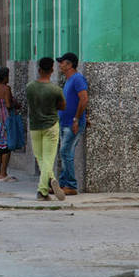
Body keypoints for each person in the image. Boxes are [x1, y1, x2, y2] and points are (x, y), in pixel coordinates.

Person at [26, 56, 67, 201]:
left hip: (35, 126)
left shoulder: (30, 87)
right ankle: (42, 190)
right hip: (51, 125)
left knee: (40, 158)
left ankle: (50, 180)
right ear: (52, 70)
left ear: (38, 70)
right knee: (49, 158)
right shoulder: (55, 89)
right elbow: (63, 106)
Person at [56, 53, 89, 196]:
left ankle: (70, 185)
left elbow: (84, 99)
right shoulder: (68, 80)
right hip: (65, 122)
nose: (60, 65)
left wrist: (77, 119)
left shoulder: (77, 79)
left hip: (72, 124)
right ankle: (63, 184)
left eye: (62, 62)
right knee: (64, 153)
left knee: (66, 152)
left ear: (69, 64)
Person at [0, 66, 17, 182]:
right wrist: (15, 103)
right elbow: (8, 104)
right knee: (6, 146)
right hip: (5, 118)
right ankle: (4, 173)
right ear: (4, 77)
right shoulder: (6, 88)